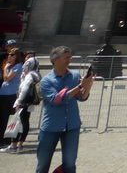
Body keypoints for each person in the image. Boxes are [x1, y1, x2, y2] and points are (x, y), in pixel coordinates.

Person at [35, 45, 94, 173]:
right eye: (65, 57)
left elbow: (81, 98)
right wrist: (79, 86)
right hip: (51, 126)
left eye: (70, 57)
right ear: (55, 59)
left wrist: (87, 86)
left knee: (69, 164)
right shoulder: (46, 81)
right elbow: (57, 100)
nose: (69, 60)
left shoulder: (74, 75)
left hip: (72, 125)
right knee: (43, 165)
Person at [10, 51, 40, 152]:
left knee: (19, 121)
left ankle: (14, 144)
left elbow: (25, 89)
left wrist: (18, 102)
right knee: (24, 121)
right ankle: (19, 143)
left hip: (24, 101)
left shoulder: (29, 75)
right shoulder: (35, 74)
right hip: (29, 101)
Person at [0, 48, 24, 149]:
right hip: (3, 93)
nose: (9, 56)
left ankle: (6, 139)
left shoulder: (17, 66)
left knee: (7, 116)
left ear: (17, 56)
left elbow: (7, 78)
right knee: (2, 116)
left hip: (11, 94)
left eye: (12, 54)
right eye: (9, 54)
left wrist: (5, 68)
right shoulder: (10, 66)